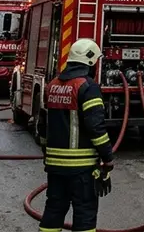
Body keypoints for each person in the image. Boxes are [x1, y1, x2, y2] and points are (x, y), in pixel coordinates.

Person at [37, 38, 114, 232]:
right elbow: (96, 128)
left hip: (55, 167)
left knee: (53, 210)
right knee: (84, 214)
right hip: (82, 169)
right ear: (90, 62)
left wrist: (47, 153)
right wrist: (108, 158)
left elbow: (42, 125)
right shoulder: (87, 87)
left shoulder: (52, 85)